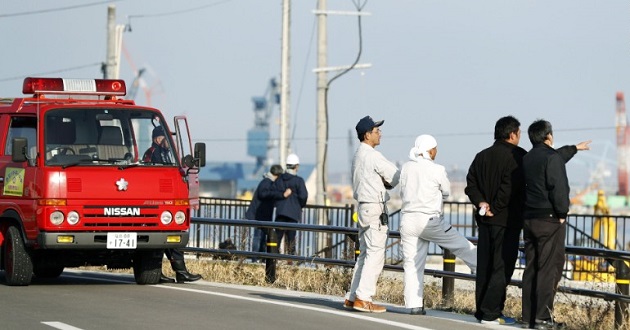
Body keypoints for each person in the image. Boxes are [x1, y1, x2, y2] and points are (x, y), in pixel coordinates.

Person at [521, 120, 588, 329]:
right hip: (549, 220)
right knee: (549, 269)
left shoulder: (527, 158)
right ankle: (543, 318)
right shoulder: (551, 158)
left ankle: (528, 318)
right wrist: (562, 213)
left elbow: (557, 157)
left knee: (531, 267)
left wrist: (575, 148)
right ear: (549, 136)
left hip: (529, 219)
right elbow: (559, 188)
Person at [400, 135, 477, 316]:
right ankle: (480, 266)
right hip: (429, 220)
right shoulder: (437, 169)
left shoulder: (406, 167)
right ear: (430, 150)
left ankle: (413, 305)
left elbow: (402, 190)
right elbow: (447, 192)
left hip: (408, 220)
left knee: (412, 264)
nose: (437, 151)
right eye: (435, 148)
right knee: (460, 244)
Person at [464, 116, 525, 325]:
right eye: (519, 133)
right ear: (512, 134)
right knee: (502, 266)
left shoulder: (481, 156)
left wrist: (482, 203)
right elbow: (510, 187)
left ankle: (482, 311)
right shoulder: (518, 157)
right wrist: (496, 207)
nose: (519, 137)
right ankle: (491, 313)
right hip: (507, 221)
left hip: (484, 221)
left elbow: (470, 183)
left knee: (485, 266)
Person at [343, 116, 400, 314]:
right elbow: (395, 176)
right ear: (367, 135)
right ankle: (363, 298)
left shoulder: (358, 154)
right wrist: (388, 183)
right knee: (375, 255)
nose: (380, 133)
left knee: (365, 254)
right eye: (377, 131)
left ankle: (352, 297)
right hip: (375, 207)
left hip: (364, 208)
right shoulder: (373, 155)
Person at [143, 126, 202, 284]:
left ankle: (174, 272)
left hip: (164, 202)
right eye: (165, 138)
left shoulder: (163, 153)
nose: (168, 142)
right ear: (157, 139)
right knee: (168, 237)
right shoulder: (153, 153)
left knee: (168, 239)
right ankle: (179, 272)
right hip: (157, 203)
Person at [245, 164, 291, 262]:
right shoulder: (266, 182)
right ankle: (255, 258)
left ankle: (260, 258)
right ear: (277, 175)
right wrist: (282, 195)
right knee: (258, 237)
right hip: (259, 215)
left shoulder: (267, 182)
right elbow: (263, 194)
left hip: (262, 215)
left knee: (262, 237)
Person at [274, 153, 308, 256]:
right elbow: (303, 196)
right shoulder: (299, 181)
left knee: (277, 239)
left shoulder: (279, 179)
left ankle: (272, 259)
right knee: (291, 240)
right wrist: (299, 205)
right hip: (293, 213)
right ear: (296, 166)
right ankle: (290, 261)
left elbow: (274, 194)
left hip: (280, 213)